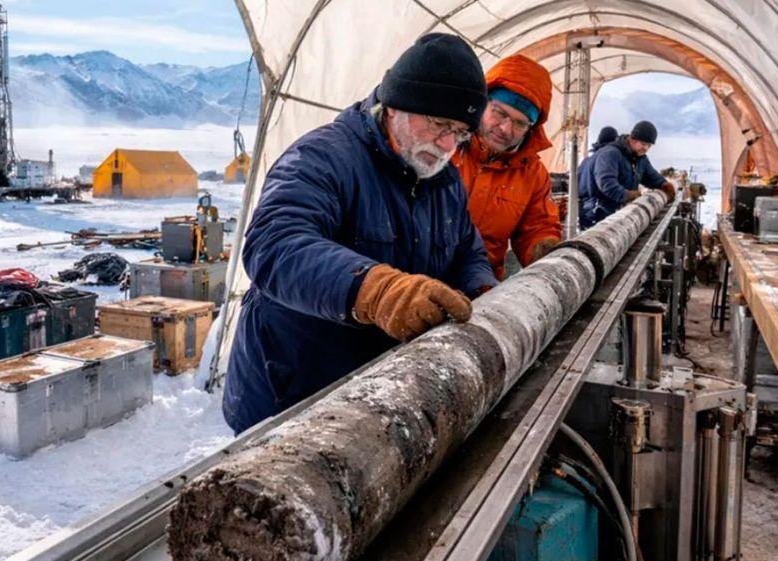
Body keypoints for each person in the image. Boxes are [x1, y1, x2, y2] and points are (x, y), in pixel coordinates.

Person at [221, 33, 498, 434]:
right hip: (294, 387)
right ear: (397, 105)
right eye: (439, 124)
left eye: (460, 133)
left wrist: (484, 289)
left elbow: (466, 249)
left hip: (371, 389)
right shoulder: (324, 157)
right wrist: (375, 290)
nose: (446, 145)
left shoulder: (444, 180)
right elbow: (274, 242)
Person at [451, 54, 560, 280]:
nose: (505, 129)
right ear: (482, 103)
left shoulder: (532, 174)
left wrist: (543, 248)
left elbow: (538, 225)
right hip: (419, 283)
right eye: (499, 113)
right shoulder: (445, 144)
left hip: (481, 288)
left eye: (520, 123)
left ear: (531, 128)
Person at [578, 120, 676, 229]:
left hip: (618, 210)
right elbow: (607, 183)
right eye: (643, 144)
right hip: (596, 210)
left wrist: (664, 184)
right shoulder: (610, 154)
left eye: (649, 145)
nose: (646, 148)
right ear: (632, 139)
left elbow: (651, 176)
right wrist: (629, 195)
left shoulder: (639, 158)